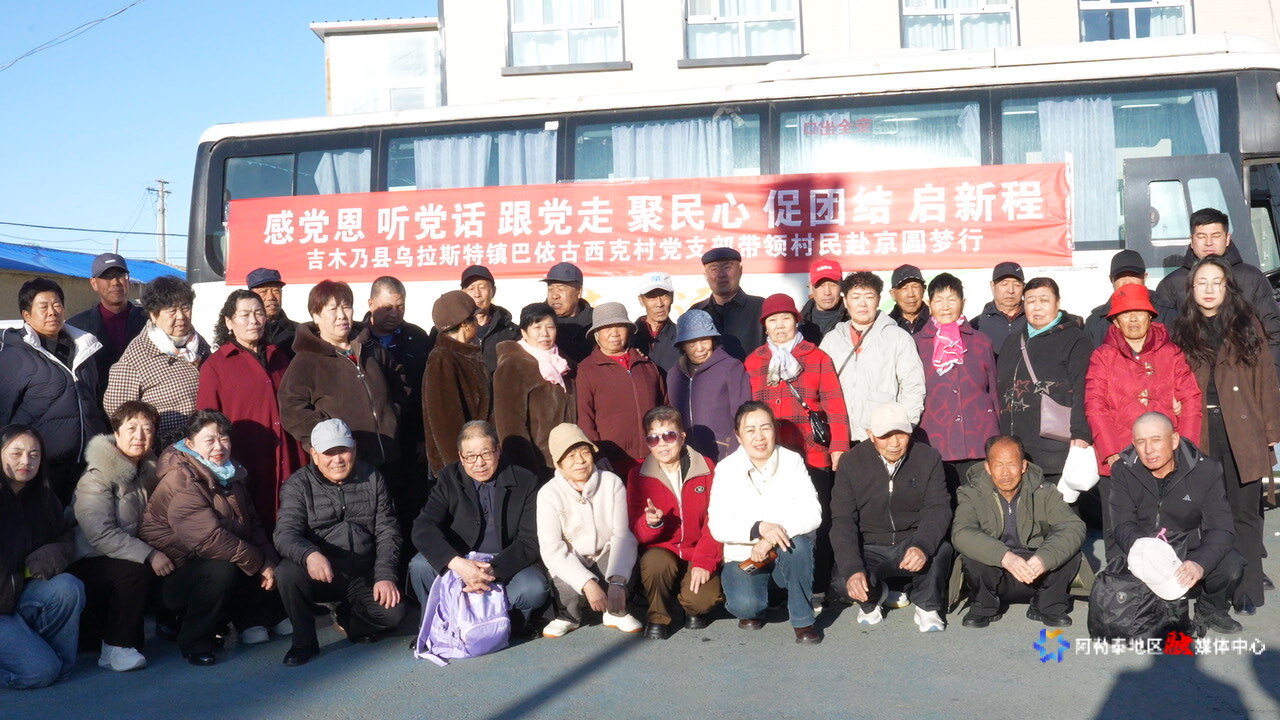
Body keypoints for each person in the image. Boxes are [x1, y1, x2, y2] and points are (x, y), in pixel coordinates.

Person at [1171, 256, 1280, 614]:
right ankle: (1211, 592)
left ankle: (1248, 590)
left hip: (1243, 430)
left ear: (1227, 287)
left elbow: (1266, 379)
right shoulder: (1181, 330)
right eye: (1202, 282)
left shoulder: (1246, 325)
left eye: (1216, 282)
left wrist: (1271, 430)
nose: (1209, 289)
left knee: (1245, 513)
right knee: (1205, 515)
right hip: (1199, 430)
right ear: (1192, 288)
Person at [140, 411, 285, 665]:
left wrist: (270, 562)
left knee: (248, 554)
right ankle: (195, 641)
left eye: (224, 439)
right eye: (209, 440)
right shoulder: (182, 479)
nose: (219, 447)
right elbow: (210, 540)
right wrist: (261, 563)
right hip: (174, 575)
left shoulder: (230, 473)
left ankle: (258, 619)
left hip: (208, 560)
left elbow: (253, 525)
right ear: (190, 443)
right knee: (225, 566)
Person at [273, 419, 404, 666]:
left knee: (394, 615)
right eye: (328, 453)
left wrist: (385, 575)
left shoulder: (372, 477)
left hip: (361, 572)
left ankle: (348, 619)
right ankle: (303, 642)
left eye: (342, 450)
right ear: (314, 454)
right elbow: (285, 534)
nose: (337, 459)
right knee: (287, 573)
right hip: (321, 574)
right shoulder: (298, 485)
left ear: (354, 448)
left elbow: (388, 530)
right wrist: (310, 554)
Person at [1085, 283, 1201, 556]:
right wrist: (1111, 452)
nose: (1133, 319)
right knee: (1119, 527)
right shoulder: (1102, 356)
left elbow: (1191, 400)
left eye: (1139, 312)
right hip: (1120, 455)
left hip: (1165, 454)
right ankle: (1119, 579)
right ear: (1115, 321)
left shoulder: (1171, 353)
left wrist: (1184, 447)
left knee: (1165, 526)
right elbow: (1095, 405)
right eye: (1125, 314)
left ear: (1151, 316)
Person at [745, 293, 850, 593]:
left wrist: (839, 447)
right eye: (772, 320)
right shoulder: (754, 361)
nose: (779, 326)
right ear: (765, 326)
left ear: (796, 320)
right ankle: (780, 587)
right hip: (770, 459)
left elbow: (835, 406)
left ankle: (817, 586)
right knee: (776, 520)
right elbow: (746, 411)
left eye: (785, 318)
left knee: (816, 520)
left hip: (812, 455)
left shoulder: (817, 357)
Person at [1110, 412, 1246, 635]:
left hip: (1189, 547)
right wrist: (1148, 553)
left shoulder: (1207, 470)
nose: (1148, 450)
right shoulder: (1123, 470)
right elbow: (1121, 524)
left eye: (1156, 439)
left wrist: (1200, 563)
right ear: (1133, 444)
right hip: (1145, 548)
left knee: (1231, 564)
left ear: (1174, 440)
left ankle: (1210, 609)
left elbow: (1221, 528)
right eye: (1141, 442)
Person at [409, 421, 548, 634]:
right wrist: (457, 563)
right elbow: (423, 526)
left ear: (498, 451)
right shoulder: (448, 478)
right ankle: (433, 628)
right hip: (460, 558)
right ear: (461, 457)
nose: (479, 463)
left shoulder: (525, 481)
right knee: (419, 566)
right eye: (471, 456)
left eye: (486, 454)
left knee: (533, 588)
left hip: (504, 560)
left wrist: (492, 570)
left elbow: (529, 541)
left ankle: (502, 628)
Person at [830, 403, 952, 632]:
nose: (894, 443)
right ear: (870, 435)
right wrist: (853, 569)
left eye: (901, 434)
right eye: (885, 436)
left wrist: (922, 545)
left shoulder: (928, 458)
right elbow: (842, 519)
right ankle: (875, 596)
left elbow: (938, 508)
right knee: (843, 581)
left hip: (910, 541)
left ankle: (926, 605)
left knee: (940, 550)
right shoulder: (851, 462)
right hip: (870, 546)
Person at [708, 402, 822, 644]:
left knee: (799, 545)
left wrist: (770, 538)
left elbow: (813, 513)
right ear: (738, 435)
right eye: (750, 430)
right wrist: (758, 528)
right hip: (744, 557)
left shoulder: (791, 461)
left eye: (765, 428)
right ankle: (767, 598)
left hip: (783, 552)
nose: (759, 437)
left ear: (774, 430)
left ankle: (803, 620)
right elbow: (718, 525)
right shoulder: (726, 469)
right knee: (747, 607)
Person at [67, 402, 165, 673]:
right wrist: (150, 553)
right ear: (116, 433)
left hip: (123, 558)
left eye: (147, 429)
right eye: (131, 428)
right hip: (89, 560)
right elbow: (99, 534)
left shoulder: (149, 471)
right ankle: (115, 648)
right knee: (136, 568)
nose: (139, 436)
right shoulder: (97, 475)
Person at [197, 290, 304, 534]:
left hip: (289, 460)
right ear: (229, 322)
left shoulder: (280, 357)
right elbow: (207, 424)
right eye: (244, 315)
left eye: (258, 313)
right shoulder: (215, 366)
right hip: (246, 464)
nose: (253, 321)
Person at [953, 435, 1085, 629]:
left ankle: (1048, 605)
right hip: (998, 573)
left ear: (1023, 466)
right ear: (988, 467)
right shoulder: (971, 492)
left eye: (1012, 465)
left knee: (1069, 552)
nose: (1005, 473)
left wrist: (1044, 559)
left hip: (1037, 573)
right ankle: (983, 606)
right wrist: (1004, 556)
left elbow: (1073, 526)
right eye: (998, 465)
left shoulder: (1045, 491)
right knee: (972, 555)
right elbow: (961, 531)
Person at [0, 277, 107, 504]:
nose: (52, 312)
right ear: (26, 315)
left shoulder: (85, 349)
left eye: (57, 304)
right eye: (43, 307)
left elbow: (95, 401)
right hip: (41, 469)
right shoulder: (13, 357)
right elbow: (3, 414)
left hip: (87, 465)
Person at [277, 280, 399, 468]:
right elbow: (291, 409)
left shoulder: (371, 349)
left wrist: (392, 416)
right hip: (341, 464)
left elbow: (400, 384)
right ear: (316, 316)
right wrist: (329, 436)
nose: (342, 315)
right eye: (332, 309)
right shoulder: (306, 360)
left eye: (346, 307)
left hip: (388, 456)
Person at [626, 406, 723, 639]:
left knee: (702, 601)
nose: (662, 444)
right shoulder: (638, 475)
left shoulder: (706, 468)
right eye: (653, 438)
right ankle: (658, 616)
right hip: (663, 551)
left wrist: (704, 561)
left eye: (669, 436)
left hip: (697, 550)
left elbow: (715, 521)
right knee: (654, 562)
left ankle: (689, 606)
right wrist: (651, 523)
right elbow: (635, 531)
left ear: (681, 436)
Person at [536, 423, 641, 638]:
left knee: (625, 563)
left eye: (585, 452)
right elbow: (551, 549)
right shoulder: (548, 493)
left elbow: (622, 535)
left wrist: (617, 581)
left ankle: (616, 612)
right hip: (572, 557)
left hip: (605, 554)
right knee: (566, 584)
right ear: (557, 463)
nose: (580, 461)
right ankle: (569, 616)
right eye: (571, 456)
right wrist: (587, 583)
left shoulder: (611, 482)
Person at [0, 425, 85, 689]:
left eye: (34, 454)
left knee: (68, 587)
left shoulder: (43, 497)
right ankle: (40, 666)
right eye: (16, 453)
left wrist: (51, 554)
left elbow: (64, 536)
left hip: (15, 597)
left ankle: (56, 665)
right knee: (38, 672)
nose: (26, 461)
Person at [1155, 207, 1280, 373]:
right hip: (1191, 378)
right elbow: (1161, 341)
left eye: (1216, 236)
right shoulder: (1172, 284)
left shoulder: (1251, 278)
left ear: (1227, 239)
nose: (1209, 242)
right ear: (1191, 240)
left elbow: (1273, 332)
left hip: (1244, 378)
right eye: (1201, 236)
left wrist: (1273, 378)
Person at [996, 277, 1092, 482]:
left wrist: (1081, 434)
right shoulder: (1012, 341)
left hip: (1055, 450)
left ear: (1058, 302)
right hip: (1017, 451)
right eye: (1031, 301)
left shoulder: (1075, 339)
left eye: (1044, 300)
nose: (1037, 307)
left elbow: (1083, 389)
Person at [913, 272, 1000, 490]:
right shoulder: (916, 344)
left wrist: (999, 437)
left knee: (980, 501)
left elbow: (994, 392)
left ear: (963, 302)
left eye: (951, 299)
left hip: (979, 439)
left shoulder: (981, 342)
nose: (945, 307)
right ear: (928, 304)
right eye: (939, 300)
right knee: (942, 501)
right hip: (934, 441)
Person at [104, 275, 211, 452]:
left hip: (204, 447)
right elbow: (118, 413)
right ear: (153, 315)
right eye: (172, 311)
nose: (181, 316)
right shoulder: (137, 357)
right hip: (164, 452)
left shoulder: (199, 344)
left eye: (185, 308)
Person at [820, 271, 926, 435]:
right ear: (846, 301)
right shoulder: (832, 340)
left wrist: (904, 427)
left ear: (878, 300)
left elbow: (913, 386)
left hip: (883, 434)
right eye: (855, 297)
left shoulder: (898, 337)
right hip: (839, 435)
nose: (862, 304)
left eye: (869, 297)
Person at [576, 302, 666, 478]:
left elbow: (665, 408)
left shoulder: (647, 365)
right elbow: (585, 418)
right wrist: (598, 454)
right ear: (596, 334)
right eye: (606, 327)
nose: (614, 333)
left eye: (619, 326)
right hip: (611, 462)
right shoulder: (587, 369)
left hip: (654, 458)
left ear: (629, 330)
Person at [363, 276, 434, 489]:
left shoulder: (418, 338)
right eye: (387, 308)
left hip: (410, 438)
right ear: (371, 304)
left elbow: (427, 390)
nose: (395, 313)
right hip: (371, 440)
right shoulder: (356, 339)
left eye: (400, 307)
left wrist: (424, 438)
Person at [493, 303, 576, 477]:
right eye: (537, 327)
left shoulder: (563, 363)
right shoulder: (513, 365)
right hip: (539, 465)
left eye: (550, 327)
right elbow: (510, 426)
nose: (544, 333)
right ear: (524, 332)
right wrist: (527, 471)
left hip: (570, 460)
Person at [666, 309, 751, 462]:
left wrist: (733, 452)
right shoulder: (674, 375)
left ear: (713, 339)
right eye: (692, 343)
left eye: (705, 340)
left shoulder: (731, 367)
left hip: (725, 456)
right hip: (687, 457)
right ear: (682, 345)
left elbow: (744, 414)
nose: (700, 348)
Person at [423, 290, 490, 476]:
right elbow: (445, 423)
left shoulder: (465, 354)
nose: (478, 323)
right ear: (464, 324)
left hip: (478, 461)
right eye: (474, 318)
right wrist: (458, 473)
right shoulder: (442, 359)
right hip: (462, 468)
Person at [67, 253, 147, 383]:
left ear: (128, 280)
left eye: (120, 275)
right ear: (94, 283)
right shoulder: (76, 328)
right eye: (107, 276)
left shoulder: (151, 321)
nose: (115, 282)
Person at [689, 247, 765, 361]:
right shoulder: (695, 313)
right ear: (705, 275)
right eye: (714, 269)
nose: (721, 274)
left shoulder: (761, 308)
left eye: (727, 267)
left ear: (740, 270)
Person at [1084, 250, 1161, 348]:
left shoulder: (1167, 313)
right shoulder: (1095, 322)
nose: (1128, 281)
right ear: (1111, 280)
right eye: (1121, 276)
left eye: (1134, 274)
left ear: (1145, 277)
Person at [460, 265, 519, 374]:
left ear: (493, 291)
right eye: (471, 288)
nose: (477, 294)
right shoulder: (450, 331)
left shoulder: (512, 332)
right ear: (463, 293)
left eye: (482, 288)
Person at [543, 262, 595, 363]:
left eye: (561, 289)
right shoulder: (537, 320)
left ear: (579, 292)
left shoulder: (595, 321)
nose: (554, 296)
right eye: (550, 289)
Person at [630, 271, 680, 374]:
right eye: (652, 296)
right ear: (641, 300)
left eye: (664, 296)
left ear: (672, 297)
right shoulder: (628, 338)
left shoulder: (683, 337)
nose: (659, 303)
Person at [972, 262, 1026, 355]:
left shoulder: (1035, 320)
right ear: (992, 286)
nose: (1011, 290)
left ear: (1024, 287)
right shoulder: (976, 325)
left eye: (1017, 285)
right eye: (1004, 284)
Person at [246, 268, 297, 359]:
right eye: (263, 292)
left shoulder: (298, 332)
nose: (271, 297)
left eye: (276, 291)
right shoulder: (242, 333)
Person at [799, 258, 848, 345]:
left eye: (833, 285)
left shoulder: (854, 319)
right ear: (811, 286)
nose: (827, 292)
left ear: (841, 285)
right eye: (821, 285)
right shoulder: (798, 322)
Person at [889, 264, 931, 334]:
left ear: (923, 289)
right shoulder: (887, 324)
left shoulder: (935, 321)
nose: (911, 294)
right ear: (893, 294)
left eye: (915, 287)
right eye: (904, 288)